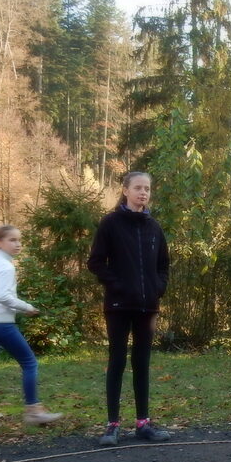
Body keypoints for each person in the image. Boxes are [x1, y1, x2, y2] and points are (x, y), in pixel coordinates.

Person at [87, 171, 171, 446]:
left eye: (147, 188)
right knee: (117, 361)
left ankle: (143, 424)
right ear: (125, 190)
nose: (143, 192)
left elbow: (163, 265)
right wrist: (118, 286)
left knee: (142, 363)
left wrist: (158, 287)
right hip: (118, 305)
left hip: (147, 307)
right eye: (138, 188)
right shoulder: (110, 223)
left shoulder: (154, 227)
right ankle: (112, 425)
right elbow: (96, 262)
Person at [0, 225, 63, 431]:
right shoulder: (6, 266)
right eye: (12, 240)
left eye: (19, 240)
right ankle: (33, 411)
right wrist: (26, 307)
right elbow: (2, 296)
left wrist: (19, 309)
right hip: (0, 325)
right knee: (29, 363)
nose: (18, 244)